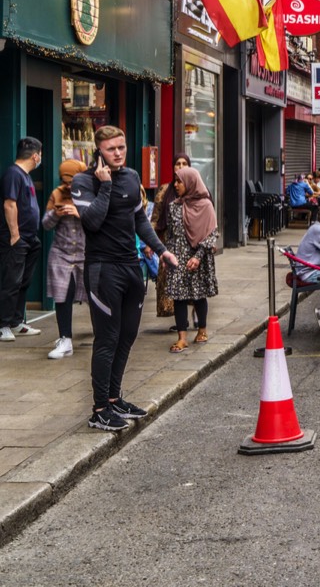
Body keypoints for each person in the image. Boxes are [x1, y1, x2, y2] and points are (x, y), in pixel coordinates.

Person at [72, 126, 178, 432]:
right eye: (110, 149)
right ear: (98, 151)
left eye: (121, 147)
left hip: (132, 267)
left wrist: (161, 251)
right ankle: (99, 409)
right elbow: (91, 222)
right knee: (106, 339)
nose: (118, 153)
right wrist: (104, 186)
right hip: (103, 270)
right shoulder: (83, 181)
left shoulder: (132, 177)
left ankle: (115, 398)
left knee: (128, 335)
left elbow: (139, 220)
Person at [164, 167, 219, 353]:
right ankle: (182, 337)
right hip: (178, 256)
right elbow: (170, 234)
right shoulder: (173, 206)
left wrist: (198, 256)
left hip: (199, 257)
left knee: (198, 295)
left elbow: (212, 234)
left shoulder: (206, 205)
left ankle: (202, 330)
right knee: (179, 297)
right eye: (175, 181)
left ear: (190, 182)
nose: (176, 185)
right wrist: (167, 255)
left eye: (180, 181)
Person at [41, 159, 89, 358]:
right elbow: (45, 224)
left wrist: (80, 214)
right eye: (65, 181)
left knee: (96, 296)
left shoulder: (90, 193)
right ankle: (65, 339)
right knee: (63, 297)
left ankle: (104, 335)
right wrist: (56, 213)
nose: (69, 186)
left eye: (72, 181)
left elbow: (100, 222)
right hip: (61, 253)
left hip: (87, 253)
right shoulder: (57, 193)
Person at [1, 137, 45, 341]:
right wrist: (15, 236)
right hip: (17, 240)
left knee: (23, 282)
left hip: (30, 239)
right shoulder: (13, 174)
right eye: (40, 155)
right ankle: (3, 325)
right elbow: (9, 204)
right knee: (11, 282)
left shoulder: (25, 176)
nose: (40, 159)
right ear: (35, 156)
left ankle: (17, 322)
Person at [152, 154, 193, 320]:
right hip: (170, 243)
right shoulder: (165, 190)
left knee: (192, 284)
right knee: (172, 284)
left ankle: (197, 312)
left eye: (184, 163)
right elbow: (155, 217)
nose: (181, 166)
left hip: (191, 243)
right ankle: (180, 319)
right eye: (178, 164)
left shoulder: (196, 189)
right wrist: (151, 243)